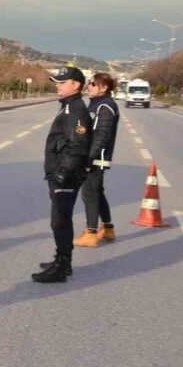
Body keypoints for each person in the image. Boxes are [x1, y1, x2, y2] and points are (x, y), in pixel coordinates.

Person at [33, 66, 91, 283]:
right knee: (60, 219)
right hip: (60, 173)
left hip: (65, 176)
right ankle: (62, 259)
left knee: (60, 221)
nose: (57, 85)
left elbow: (77, 147)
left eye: (62, 82)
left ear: (75, 85)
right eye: (56, 81)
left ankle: (62, 266)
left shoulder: (75, 110)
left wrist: (62, 174)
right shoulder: (68, 107)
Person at [74, 72, 120, 247]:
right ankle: (108, 228)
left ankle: (91, 233)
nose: (89, 87)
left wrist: (89, 158)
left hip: (96, 158)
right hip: (94, 157)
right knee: (97, 193)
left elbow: (102, 136)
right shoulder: (98, 104)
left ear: (104, 87)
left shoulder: (105, 107)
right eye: (89, 83)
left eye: (92, 84)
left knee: (89, 194)